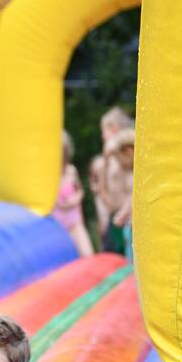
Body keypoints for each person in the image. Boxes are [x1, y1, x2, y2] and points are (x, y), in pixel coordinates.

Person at [91, 107, 135, 247]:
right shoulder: (109, 158)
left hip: (126, 217)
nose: (102, 136)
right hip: (118, 216)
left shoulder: (122, 153)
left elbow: (130, 189)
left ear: (115, 129)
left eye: (104, 131)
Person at [52, 131, 94, 257]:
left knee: (87, 253)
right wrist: (60, 204)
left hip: (74, 221)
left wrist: (76, 199)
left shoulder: (71, 170)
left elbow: (80, 190)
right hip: (57, 223)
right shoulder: (49, 176)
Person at [99, 128, 135, 257]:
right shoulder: (124, 172)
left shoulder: (135, 175)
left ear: (128, 151)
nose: (118, 162)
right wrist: (105, 162)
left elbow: (132, 197)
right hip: (126, 224)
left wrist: (123, 213)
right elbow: (108, 198)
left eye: (117, 157)